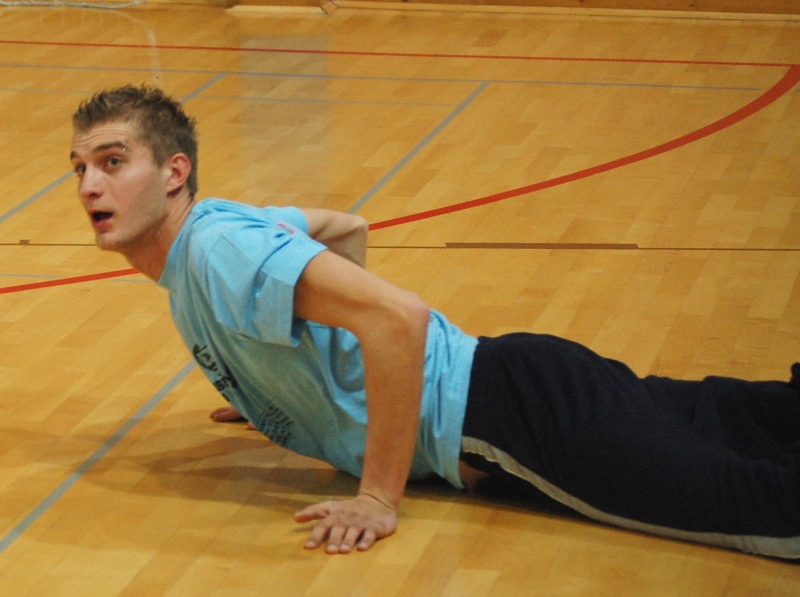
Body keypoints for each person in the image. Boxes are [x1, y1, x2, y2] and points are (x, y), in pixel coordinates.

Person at [70, 85, 800, 559]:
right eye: (79, 168)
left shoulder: (216, 250)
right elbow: (345, 226)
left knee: (764, 513)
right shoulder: (210, 239)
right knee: (742, 419)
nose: (90, 185)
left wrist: (377, 497)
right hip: (519, 381)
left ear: (173, 172)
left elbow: (399, 318)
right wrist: (281, 379)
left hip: (502, 425)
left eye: (112, 161)